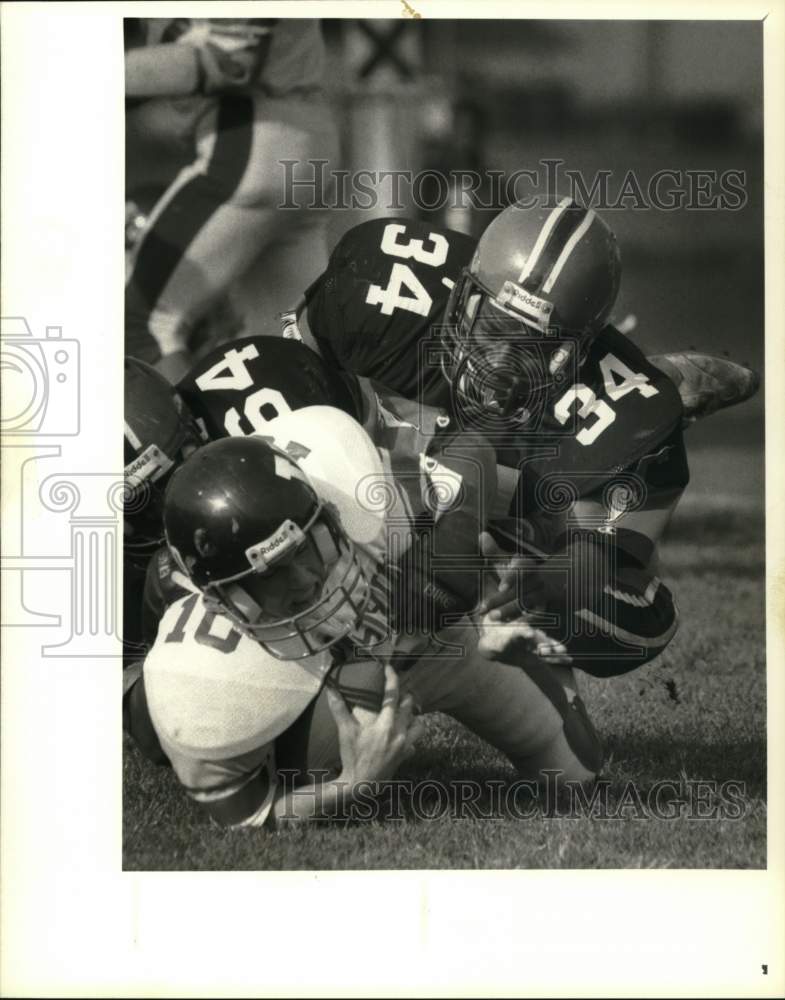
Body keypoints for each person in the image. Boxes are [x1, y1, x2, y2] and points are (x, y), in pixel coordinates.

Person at [139, 406, 602, 826]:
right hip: (313, 688)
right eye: (269, 576)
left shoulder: (358, 491)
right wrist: (351, 787)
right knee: (290, 767)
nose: (303, 579)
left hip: (429, 639)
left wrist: (454, 542)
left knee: (574, 775)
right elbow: (246, 815)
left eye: (306, 547)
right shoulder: (200, 681)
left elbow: (469, 450)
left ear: (329, 514)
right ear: (223, 600)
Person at [124, 17, 338, 381]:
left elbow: (231, 56)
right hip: (302, 137)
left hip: (251, 138)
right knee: (290, 355)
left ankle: (194, 439)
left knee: (143, 326)